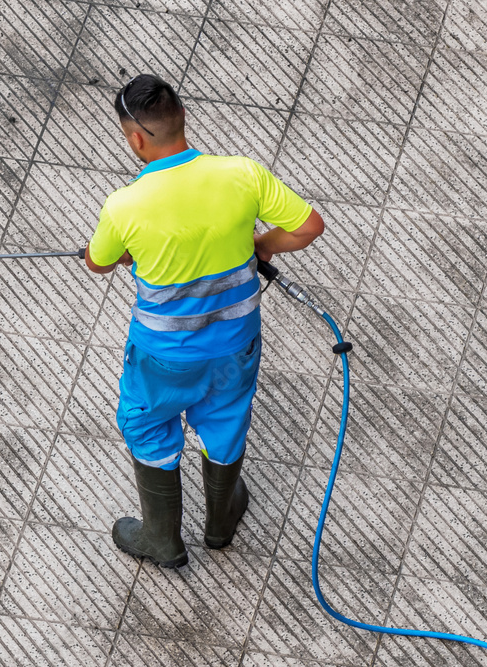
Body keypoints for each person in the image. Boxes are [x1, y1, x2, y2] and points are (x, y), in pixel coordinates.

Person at [84, 74, 324, 568]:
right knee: (226, 417)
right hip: (236, 343)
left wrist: (134, 253)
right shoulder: (242, 174)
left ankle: (162, 540)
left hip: (163, 356)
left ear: (135, 138)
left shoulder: (125, 205)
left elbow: (98, 261)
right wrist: (257, 248)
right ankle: (221, 522)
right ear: (182, 118)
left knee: (148, 427)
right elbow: (308, 227)